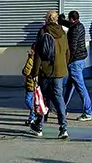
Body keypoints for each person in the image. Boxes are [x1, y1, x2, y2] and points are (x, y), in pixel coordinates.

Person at [30, 10, 70, 139]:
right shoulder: (63, 32)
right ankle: (63, 128)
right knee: (59, 98)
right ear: (56, 19)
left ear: (47, 19)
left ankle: (39, 126)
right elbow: (67, 51)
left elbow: (38, 55)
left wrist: (34, 72)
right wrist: (64, 64)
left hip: (46, 71)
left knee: (44, 98)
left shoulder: (43, 31)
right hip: (60, 70)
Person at [61, 11, 92, 120]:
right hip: (81, 59)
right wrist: (61, 20)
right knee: (70, 85)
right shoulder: (79, 25)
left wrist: (67, 61)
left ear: (71, 19)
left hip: (75, 61)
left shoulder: (74, 30)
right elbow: (69, 24)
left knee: (80, 87)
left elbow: (72, 47)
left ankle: (88, 112)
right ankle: (62, 108)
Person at [22, 45, 36, 126]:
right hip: (32, 84)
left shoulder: (31, 60)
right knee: (32, 101)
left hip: (31, 84)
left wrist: (29, 59)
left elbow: (26, 71)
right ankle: (31, 118)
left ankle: (33, 112)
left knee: (28, 100)